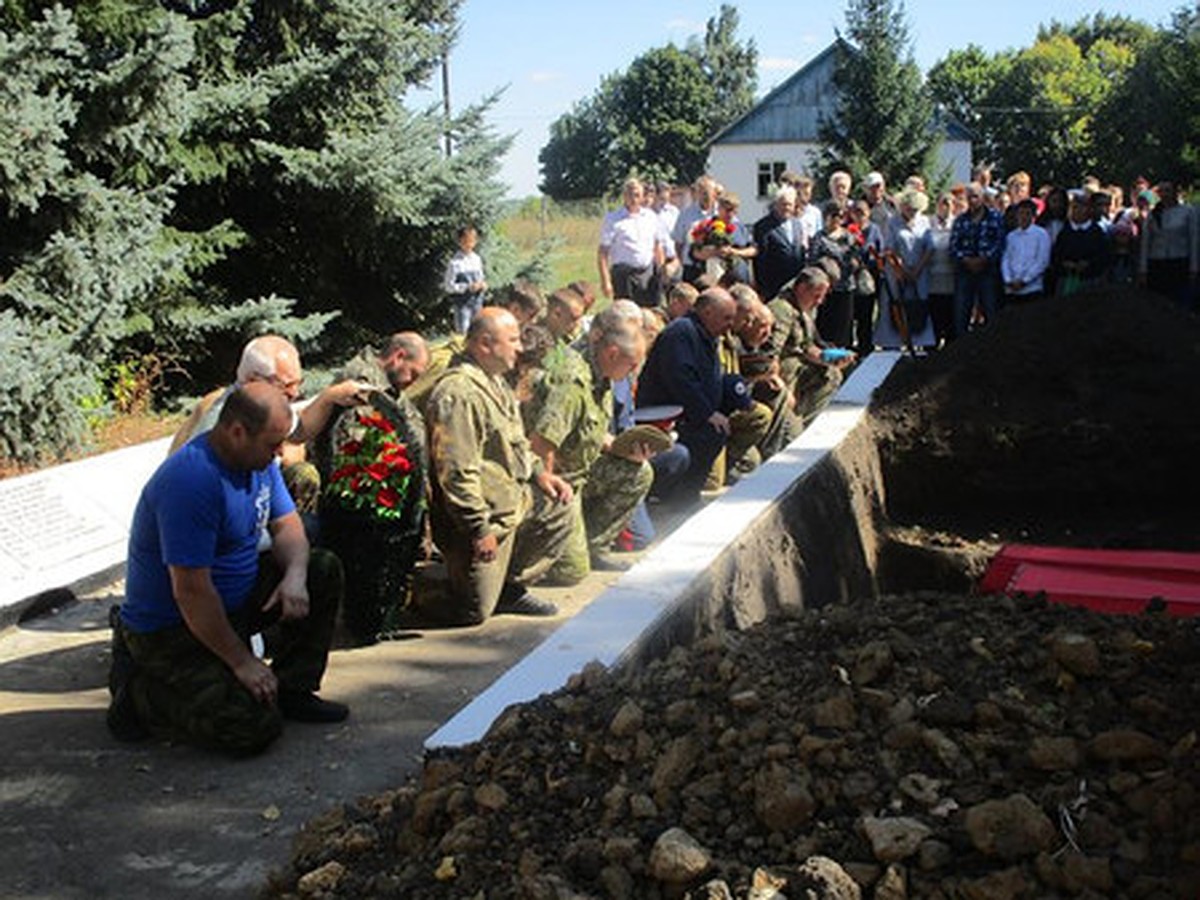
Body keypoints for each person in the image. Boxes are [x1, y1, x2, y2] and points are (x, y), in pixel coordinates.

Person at [107, 383, 347, 754]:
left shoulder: (257, 462)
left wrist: (295, 578)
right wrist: (242, 661)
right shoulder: (191, 482)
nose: (281, 453)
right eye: (272, 443)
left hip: (232, 603)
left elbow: (288, 527)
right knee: (249, 729)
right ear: (237, 432)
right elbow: (191, 591)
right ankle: (138, 692)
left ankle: (293, 689)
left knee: (321, 568)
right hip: (173, 628)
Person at [423, 308, 575, 625]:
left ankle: (509, 586)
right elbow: (457, 472)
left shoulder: (495, 383)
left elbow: (515, 443)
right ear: (484, 344)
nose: (520, 347)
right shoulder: (459, 394)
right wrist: (479, 529)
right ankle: (419, 589)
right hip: (479, 520)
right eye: (513, 339)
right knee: (473, 612)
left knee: (560, 508)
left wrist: (539, 472)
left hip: (509, 505)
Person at [169, 335, 371, 516]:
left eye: (298, 383)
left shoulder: (260, 406)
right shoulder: (219, 432)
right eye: (286, 385)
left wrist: (331, 397)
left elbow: (299, 429)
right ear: (252, 380)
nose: (295, 394)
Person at [527, 308, 656, 584]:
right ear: (611, 353)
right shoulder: (572, 381)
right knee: (571, 573)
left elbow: (592, 432)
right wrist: (551, 497)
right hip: (558, 481)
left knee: (639, 473)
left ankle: (592, 545)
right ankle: (548, 549)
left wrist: (624, 450)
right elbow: (541, 445)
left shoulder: (602, 373)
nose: (634, 373)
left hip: (583, 470)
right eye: (631, 365)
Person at [637, 287, 738, 509]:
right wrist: (707, 413)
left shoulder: (707, 334)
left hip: (688, 412)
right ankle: (680, 497)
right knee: (711, 432)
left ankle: (686, 494)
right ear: (708, 312)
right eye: (726, 318)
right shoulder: (681, 333)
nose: (731, 324)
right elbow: (681, 379)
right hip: (665, 417)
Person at [765, 266, 854, 429]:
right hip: (783, 372)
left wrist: (828, 359)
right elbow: (770, 354)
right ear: (802, 288)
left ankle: (806, 423)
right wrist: (783, 390)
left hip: (796, 367)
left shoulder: (803, 309)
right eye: (816, 296)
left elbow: (806, 346)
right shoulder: (782, 310)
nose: (819, 302)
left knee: (832, 374)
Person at [875, 189, 936, 350]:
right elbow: (889, 249)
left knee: (917, 306)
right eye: (909, 208)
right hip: (896, 273)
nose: (911, 212)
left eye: (915, 209)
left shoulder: (924, 221)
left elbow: (930, 248)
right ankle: (892, 345)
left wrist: (917, 270)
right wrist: (901, 270)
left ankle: (918, 344)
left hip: (919, 273)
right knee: (896, 306)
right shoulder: (892, 222)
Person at [598, 177, 669, 306]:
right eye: (629, 194)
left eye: (637, 195)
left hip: (648, 274)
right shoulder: (613, 219)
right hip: (624, 276)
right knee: (627, 317)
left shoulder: (651, 217)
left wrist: (662, 270)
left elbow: (657, 246)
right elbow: (603, 253)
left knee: (650, 315)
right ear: (624, 196)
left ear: (642, 197)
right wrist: (605, 281)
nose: (633, 198)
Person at [949, 182, 1005, 338]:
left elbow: (1000, 243)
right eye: (969, 197)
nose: (972, 200)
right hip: (964, 271)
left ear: (983, 198)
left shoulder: (996, 218)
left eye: (975, 196)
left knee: (991, 312)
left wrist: (984, 259)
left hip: (988, 270)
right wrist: (966, 260)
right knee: (961, 313)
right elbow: (953, 246)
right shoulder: (960, 220)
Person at [1139, 181, 1199, 309]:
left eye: (1168, 191)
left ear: (1175, 193)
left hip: (1180, 262)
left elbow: (1194, 240)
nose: (1165, 194)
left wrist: (1194, 267)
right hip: (1157, 262)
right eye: (1162, 191)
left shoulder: (1188, 212)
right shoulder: (1153, 214)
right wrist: (1143, 269)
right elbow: (1145, 243)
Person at [808, 201, 859, 348]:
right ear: (827, 216)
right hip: (827, 288)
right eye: (835, 215)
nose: (838, 219)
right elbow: (813, 260)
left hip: (846, 286)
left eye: (841, 216)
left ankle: (845, 354)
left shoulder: (849, 236)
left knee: (845, 323)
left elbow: (856, 257)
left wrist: (854, 262)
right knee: (827, 323)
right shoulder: (820, 237)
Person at [753, 184, 806, 301]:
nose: (786, 207)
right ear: (776, 204)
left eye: (789, 204)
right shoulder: (762, 226)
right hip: (773, 287)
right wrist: (762, 289)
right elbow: (760, 259)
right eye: (783, 204)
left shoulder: (797, 224)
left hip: (794, 286)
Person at [1053, 189, 1110, 296]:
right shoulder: (1064, 232)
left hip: (1091, 280)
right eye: (1074, 207)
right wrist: (1065, 264)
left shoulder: (1097, 232)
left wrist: (1088, 264)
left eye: (1081, 207)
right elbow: (1056, 255)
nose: (1077, 211)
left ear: (1088, 210)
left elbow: (1103, 256)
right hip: (1067, 280)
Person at [1001, 199, 1052, 303]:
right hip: (1011, 289)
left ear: (1034, 216)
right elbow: (1006, 259)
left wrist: (1025, 280)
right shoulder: (1011, 236)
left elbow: (1042, 261)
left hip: (1032, 289)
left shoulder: (1041, 234)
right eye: (1021, 213)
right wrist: (1008, 279)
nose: (1023, 217)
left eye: (1027, 213)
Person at [673, 175, 721, 283]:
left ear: (714, 193)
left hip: (716, 267)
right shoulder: (686, 214)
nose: (705, 196)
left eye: (707, 192)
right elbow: (678, 244)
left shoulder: (721, 213)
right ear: (697, 193)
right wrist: (683, 262)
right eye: (702, 192)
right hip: (692, 268)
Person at [443, 225, 488, 335]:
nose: (469, 244)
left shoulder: (477, 259)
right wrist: (466, 287)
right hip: (463, 305)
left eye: (472, 240)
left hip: (477, 303)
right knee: (464, 333)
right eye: (466, 241)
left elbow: (481, 277)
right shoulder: (455, 263)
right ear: (460, 242)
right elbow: (448, 286)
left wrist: (483, 285)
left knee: (478, 331)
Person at [925, 192, 957, 347]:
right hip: (932, 276)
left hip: (951, 276)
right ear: (937, 204)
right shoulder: (927, 223)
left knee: (949, 313)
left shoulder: (957, 223)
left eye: (950, 203)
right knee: (933, 313)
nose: (947, 206)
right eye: (943, 202)